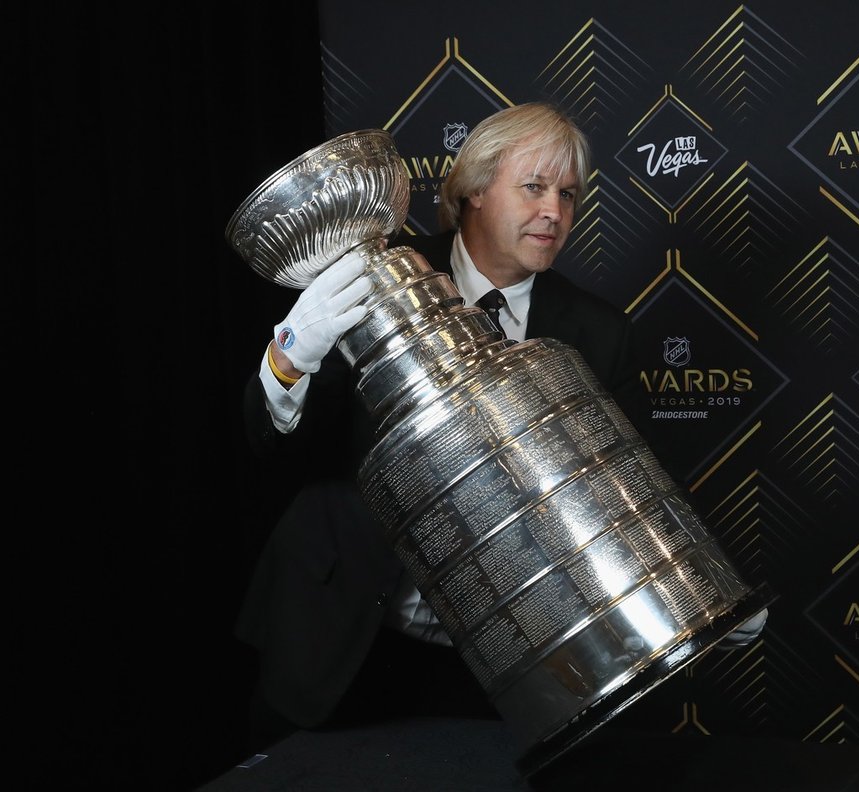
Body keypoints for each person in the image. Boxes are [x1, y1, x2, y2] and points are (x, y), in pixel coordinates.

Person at [235, 101, 767, 750]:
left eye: (569, 194)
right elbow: (274, 445)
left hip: (506, 663)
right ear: (474, 191)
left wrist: (697, 585)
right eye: (534, 187)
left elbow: (631, 489)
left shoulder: (600, 332)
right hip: (343, 640)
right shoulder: (368, 278)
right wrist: (289, 356)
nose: (555, 212)